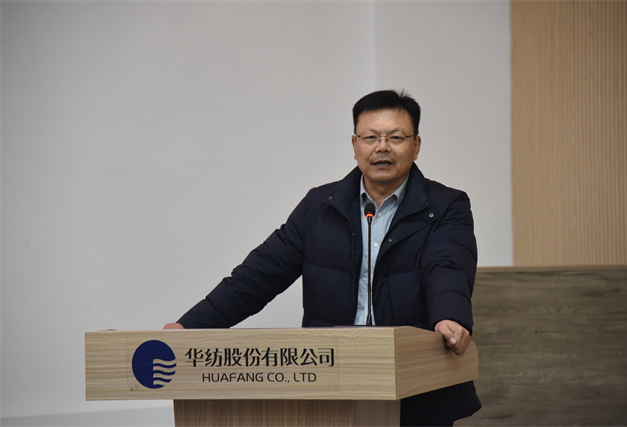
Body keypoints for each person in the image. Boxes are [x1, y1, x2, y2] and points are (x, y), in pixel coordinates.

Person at [164, 89, 481, 425]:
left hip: (413, 382)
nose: (382, 147)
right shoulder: (319, 206)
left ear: (416, 146)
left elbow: (448, 266)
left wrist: (449, 316)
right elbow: (259, 274)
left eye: (396, 137)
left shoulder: (446, 206)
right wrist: (190, 326)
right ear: (355, 145)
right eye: (370, 137)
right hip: (333, 381)